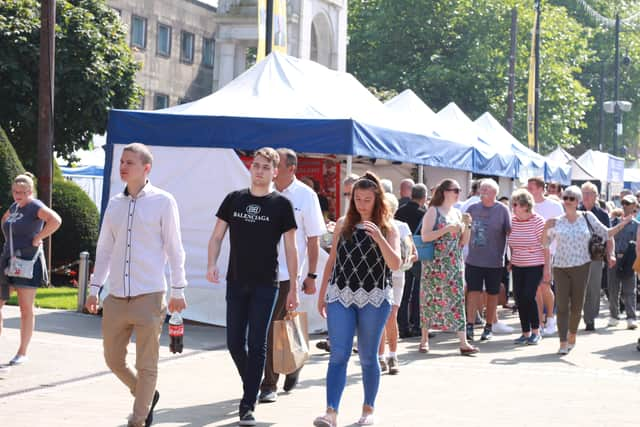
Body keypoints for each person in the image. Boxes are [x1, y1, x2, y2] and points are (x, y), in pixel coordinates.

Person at [85, 143, 187, 427]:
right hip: (115, 297)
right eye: (122, 161)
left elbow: (175, 249)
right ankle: (146, 395)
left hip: (150, 296)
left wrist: (178, 289)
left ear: (146, 168)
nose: (123, 166)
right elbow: (104, 249)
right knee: (113, 360)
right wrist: (94, 289)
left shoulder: (164, 201)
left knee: (146, 364)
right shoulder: (115, 204)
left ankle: (139, 418)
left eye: (130, 162)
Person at [206, 147, 299, 426]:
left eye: (265, 167)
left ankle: (247, 403)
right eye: (255, 166)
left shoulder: (281, 205)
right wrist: (212, 263)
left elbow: (291, 248)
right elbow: (216, 236)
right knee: (234, 342)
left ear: (275, 171)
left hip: (266, 284)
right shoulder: (234, 199)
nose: (259, 171)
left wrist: (293, 285)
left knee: (257, 344)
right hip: (236, 280)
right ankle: (254, 382)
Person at [314, 172, 401, 427]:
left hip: (375, 297)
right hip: (340, 295)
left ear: (377, 201)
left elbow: (395, 263)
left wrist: (379, 238)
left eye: (367, 199)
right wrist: (322, 295)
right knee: (338, 355)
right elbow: (331, 261)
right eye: (357, 199)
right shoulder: (343, 223)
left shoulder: (388, 226)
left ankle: (368, 410)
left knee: (367, 356)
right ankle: (331, 412)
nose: (361, 204)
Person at [258, 148, 326, 403]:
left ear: (291, 168)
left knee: (272, 329)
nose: (271, 168)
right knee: (270, 328)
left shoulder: (305, 196)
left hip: (288, 274)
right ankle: (294, 361)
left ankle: (268, 384)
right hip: (260, 272)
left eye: (277, 164)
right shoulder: (264, 191)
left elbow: (313, 238)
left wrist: (310, 275)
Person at [542, 186, 630, 355]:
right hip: (560, 267)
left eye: (571, 199)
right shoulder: (557, 220)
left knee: (577, 305)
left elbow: (606, 233)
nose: (567, 201)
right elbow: (544, 244)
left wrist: (623, 224)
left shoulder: (587, 217)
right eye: (565, 198)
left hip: (582, 266)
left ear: (577, 202)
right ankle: (562, 341)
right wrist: (546, 226)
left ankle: (572, 333)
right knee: (561, 306)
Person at [0, 173, 61, 366]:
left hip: (27, 261)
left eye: (22, 192)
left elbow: (56, 220)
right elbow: (4, 221)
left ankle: (22, 352)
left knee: (25, 308)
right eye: (15, 191)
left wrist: (38, 238)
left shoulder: (35, 206)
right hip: (8, 260)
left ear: (30, 192)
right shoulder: (14, 207)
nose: (18, 195)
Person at [419, 179, 476, 355]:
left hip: (453, 263)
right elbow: (425, 237)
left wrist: (467, 226)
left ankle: (463, 341)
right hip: (435, 264)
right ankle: (424, 339)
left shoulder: (458, 213)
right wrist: (446, 229)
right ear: (445, 192)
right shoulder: (433, 211)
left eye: (459, 190)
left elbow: (463, 242)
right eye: (455, 190)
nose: (458, 193)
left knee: (458, 299)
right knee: (430, 300)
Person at [465, 179, 511, 342]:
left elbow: (510, 233)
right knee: (473, 292)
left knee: (492, 294)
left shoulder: (502, 210)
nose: (482, 191)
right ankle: (469, 325)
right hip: (474, 259)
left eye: (486, 189)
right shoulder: (472, 208)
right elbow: (464, 229)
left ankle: (489, 326)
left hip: (494, 261)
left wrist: (510, 258)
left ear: (494, 193)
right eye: (481, 189)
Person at [378, 193, 415, 374]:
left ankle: (393, 355)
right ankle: (380, 357)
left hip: (396, 276)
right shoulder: (374, 226)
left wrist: (405, 260)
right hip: (377, 276)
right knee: (378, 317)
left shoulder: (401, 226)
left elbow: (413, 253)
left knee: (391, 315)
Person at [508, 189, 546, 345]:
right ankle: (525, 332)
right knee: (519, 298)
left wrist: (548, 269)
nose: (513, 207)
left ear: (525, 205)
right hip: (518, 264)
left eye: (515, 204)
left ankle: (536, 331)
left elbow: (546, 246)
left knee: (528, 296)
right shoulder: (512, 221)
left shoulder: (538, 221)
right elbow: (510, 242)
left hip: (534, 264)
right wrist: (510, 260)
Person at [527, 177, 564, 336]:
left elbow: (561, 227)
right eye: (528, 188)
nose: (529, 191)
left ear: (542, 189)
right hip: (531, 253)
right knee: (535, 289)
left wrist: (553, 246)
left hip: (551, 252)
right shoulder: (526, 205)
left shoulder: (554, 206)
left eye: (532, 188)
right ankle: (540, 321)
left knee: (545, 286)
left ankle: (550, 318)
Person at [395, 183, 427, 338]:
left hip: (402, 253)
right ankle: (417, 325)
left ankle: (402, 326)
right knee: (418, 292)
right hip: (418, 253)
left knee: (403, 292)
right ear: (424, 197)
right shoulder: (424, 213)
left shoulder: (399, 211)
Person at [579, 181, 612, 331]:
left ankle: (590, 318)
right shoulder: (575, 211)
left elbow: (609, 236)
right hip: (576, 256)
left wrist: (610, 255)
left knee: (593, 288)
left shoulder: (603, 215)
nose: (585, 196)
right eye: (583, 193)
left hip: (595, 256)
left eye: (588, 193)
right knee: (579, 288)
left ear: (595, 196)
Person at [607, 194, 639, 329]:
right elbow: (609, 237)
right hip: (615, 258)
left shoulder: (637, 225)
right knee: (613, 290)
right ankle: (614, 316)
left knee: (629, 290)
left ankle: (631, 317)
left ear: (634, 207)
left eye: (628, 203)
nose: (625, 205)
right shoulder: (614, 222)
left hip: (629, 260)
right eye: (623, 203)